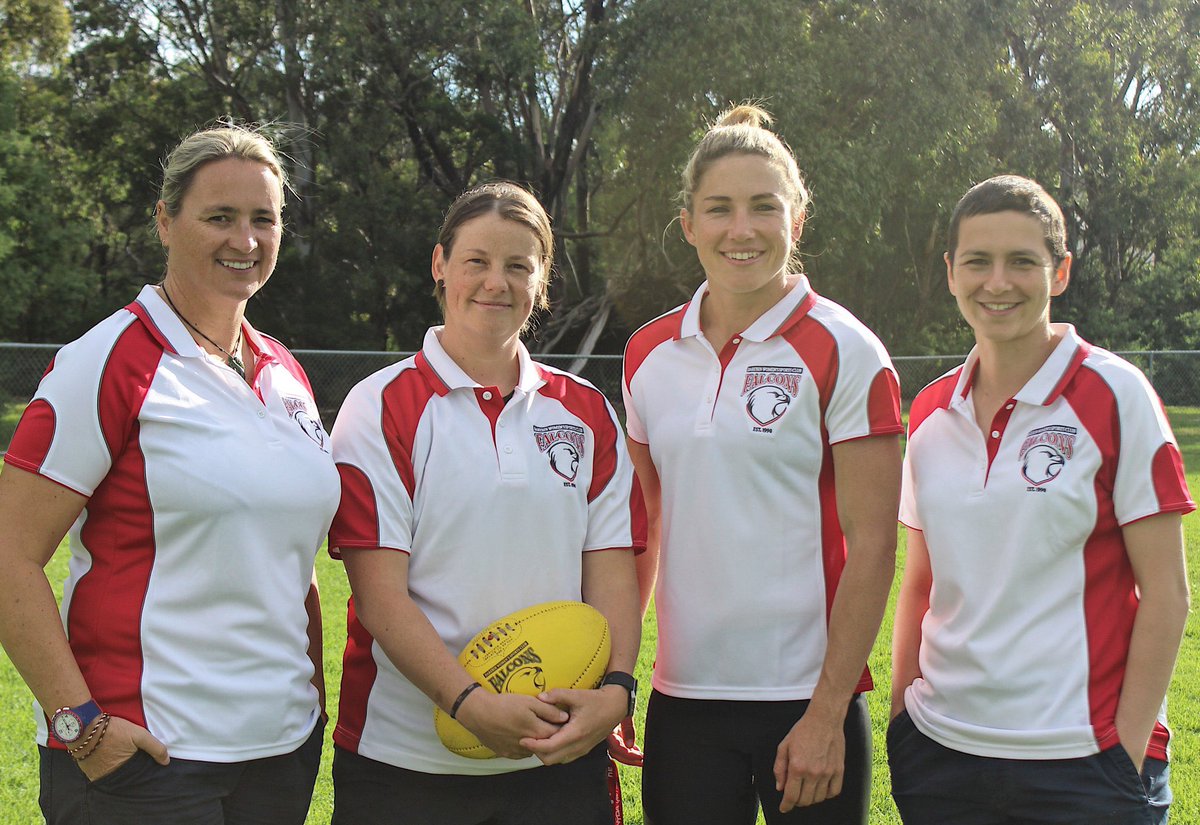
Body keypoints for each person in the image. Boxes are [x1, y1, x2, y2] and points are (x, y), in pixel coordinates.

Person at [0, 123, 339, 824]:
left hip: (279, 751)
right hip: (148, 761)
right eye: (219, 217)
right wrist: (82, 728)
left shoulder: (284, 371)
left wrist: (310, 703)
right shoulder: (109, 359)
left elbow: (291, 555)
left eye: (262, 219)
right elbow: (8, 552)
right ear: (165, 220)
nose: (243, 240)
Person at [326, 181, 644, 825]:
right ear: (441, 265)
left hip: (557, 755)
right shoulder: (380, 405)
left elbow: (611, 569)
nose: (495, 282)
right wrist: (469, 703)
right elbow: (378, 594)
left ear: (542, 280)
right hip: (404, 761)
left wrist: (616, 688)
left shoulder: (586, 411)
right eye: (476, 261)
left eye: (519, 265)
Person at [622, 104, 904, 825]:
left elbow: (873, 546)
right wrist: (618, 680)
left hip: (809, 701)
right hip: (684, 701)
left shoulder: (847, 350)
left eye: (763, 208)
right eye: (719, 209)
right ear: (689, 223)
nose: (740, 229)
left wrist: (827, 711)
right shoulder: (647, 354)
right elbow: (644, 532)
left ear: (797, 220)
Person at [890, 174, 1192, 825]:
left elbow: (1167, 591)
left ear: (1059, 272)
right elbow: (919, 583)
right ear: (950, 272)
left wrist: (1125, 751)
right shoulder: (931, 412)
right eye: (978, 260)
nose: (997, 281)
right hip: (944, 756)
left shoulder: (1117, 395)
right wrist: (899, 724)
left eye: (1022, 261)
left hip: (1085, 763)